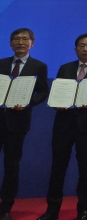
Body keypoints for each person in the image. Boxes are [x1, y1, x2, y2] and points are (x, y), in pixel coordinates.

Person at [37, 33, 87, 220]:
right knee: (58, 167)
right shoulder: (65, 68)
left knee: (86, 168)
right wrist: (57, 103)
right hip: (63, 125)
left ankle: (83, 210)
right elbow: (57, 92)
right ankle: (52, 210)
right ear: (75, 49)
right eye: (82, 46)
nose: (85, 49)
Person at [0, 28, 49, 220]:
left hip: (17, 123)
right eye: (16, 39)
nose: (20, 42)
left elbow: (43, 92)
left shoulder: (39, 66)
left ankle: (6, 207)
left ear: (32, 43)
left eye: (24, 39)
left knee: (12, 166)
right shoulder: (1, 64)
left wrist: (28, 102)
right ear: (10, 43)